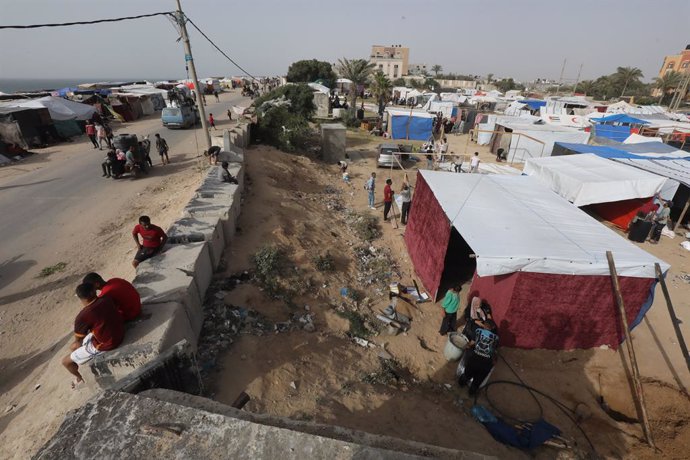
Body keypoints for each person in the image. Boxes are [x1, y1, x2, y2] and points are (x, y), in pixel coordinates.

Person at [61, 283, 124, 389]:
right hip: (119, 331)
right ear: (94, 292)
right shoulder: (107, 299)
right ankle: (82, 360)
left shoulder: (83, 316)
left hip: (107, 344)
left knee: (66, 361)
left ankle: (80, 378)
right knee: (75, 348)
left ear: (80, 298)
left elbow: (78, 340)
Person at [458, 318, 499, 396]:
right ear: (492, 327)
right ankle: (471, 393)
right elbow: (493, 350)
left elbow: (472, 343)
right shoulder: (496, 338)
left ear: (484, 325)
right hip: (486, 363)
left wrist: (467, 346)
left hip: (475, 359)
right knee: (478, 380)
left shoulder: (478, 332)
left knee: (467, 374)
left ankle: (461, 384)